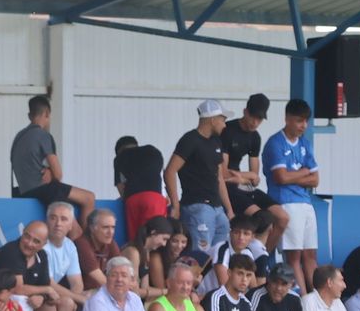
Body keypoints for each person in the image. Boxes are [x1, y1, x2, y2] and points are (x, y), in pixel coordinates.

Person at [9, 94, 93, 232]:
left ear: (29, 115)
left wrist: (47, 170)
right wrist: (52, 173)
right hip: (45, 190)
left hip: (22, 191)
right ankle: (86, 240)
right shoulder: (43, 135)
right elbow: (58, 174)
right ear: (47, 113)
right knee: (89, 198)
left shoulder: (18, 137)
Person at [260, 99, 321, 291]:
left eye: (306, 121)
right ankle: (302, 298)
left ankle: (318, 297)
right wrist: (303, 172)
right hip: (286, 203)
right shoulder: (275, 143)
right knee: (293, 257)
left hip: (306, 203)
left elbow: (315, 179)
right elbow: (281, 178)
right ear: (287, 118)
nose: (304, 125)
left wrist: (293, 176)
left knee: (310, 255)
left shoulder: (305, 143)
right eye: (299, 120)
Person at [165, 99, 235, 258]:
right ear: (213, 119)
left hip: (217, 207)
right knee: (200, 255)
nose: (225, 125)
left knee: (220, 254)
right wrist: (175, 205)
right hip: (197, 205)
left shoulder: (216, 141)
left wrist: (229, 209)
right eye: (223, 120)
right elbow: (170, 171)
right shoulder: (190, 140)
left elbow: (219, 177)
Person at [220, 93, 289, 252]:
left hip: (242, 185)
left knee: (282, 217)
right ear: (245, 112)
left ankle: (262, 255)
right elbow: (223, 173)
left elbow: (255, 178)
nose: (255, 122)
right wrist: (247, 176)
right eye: (253, 117)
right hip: (227, 187)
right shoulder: (228, 131)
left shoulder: (255, 137)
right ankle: (250, 255)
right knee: (263, 219)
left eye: (259, 119)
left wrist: (243, 177)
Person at [113, 135, 166, 242]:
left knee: (136, 239)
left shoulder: (120, 157)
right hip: (154, 198)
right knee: (155, 238)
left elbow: (120, 185)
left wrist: (125, 197)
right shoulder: (153, 151)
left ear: (119, 151)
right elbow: (162, 175)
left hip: (133, 199)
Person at [74, 208, 120, 293]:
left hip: (101, 291)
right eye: (105, 227)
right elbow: (101, 280)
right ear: (92, 228)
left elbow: (121, 268)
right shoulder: (81, 244)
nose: (110, 232)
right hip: (84, 294)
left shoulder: (110, 243)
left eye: (113, 227)